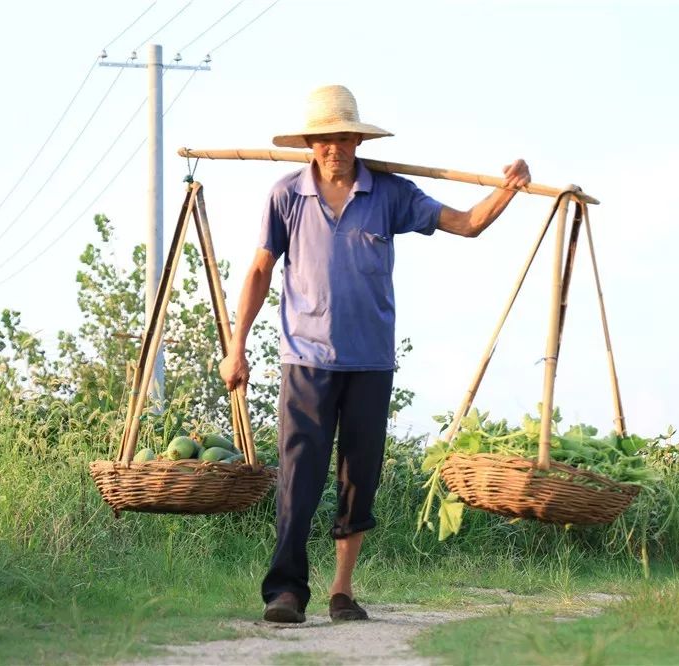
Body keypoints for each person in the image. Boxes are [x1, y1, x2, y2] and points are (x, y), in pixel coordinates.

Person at [219, 84, 530, 624]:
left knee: (359, 478)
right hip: (305, 359)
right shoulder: (286, 195)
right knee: (298, 477)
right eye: (323, 139)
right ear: (310, 144)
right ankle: (286, 591)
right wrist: (236, 346)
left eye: (343, 137)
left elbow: (468, 224)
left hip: (370, 362)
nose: (333, 148)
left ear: (357, 141)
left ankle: (342, 590)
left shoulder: (389, 194)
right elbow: (260, 271)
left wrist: (509, 189)